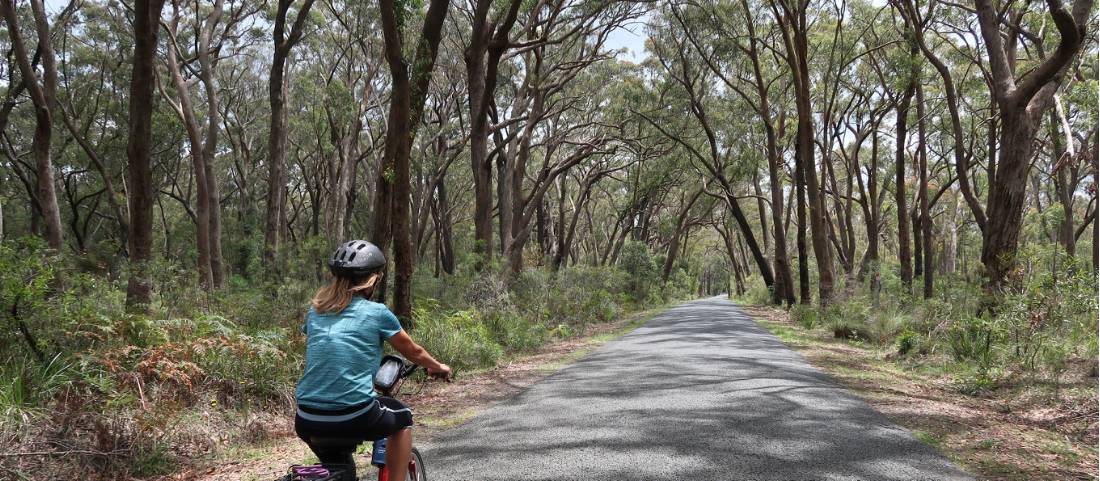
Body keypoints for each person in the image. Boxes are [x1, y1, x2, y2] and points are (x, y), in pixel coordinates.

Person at [295, 240, 452, 481]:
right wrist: (438, 366)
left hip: (306, 417)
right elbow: (413, 352)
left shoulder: (315, 311)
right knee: (402, 418)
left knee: (339, 465)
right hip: (354, 413)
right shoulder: (377, 313)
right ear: (372, 280)